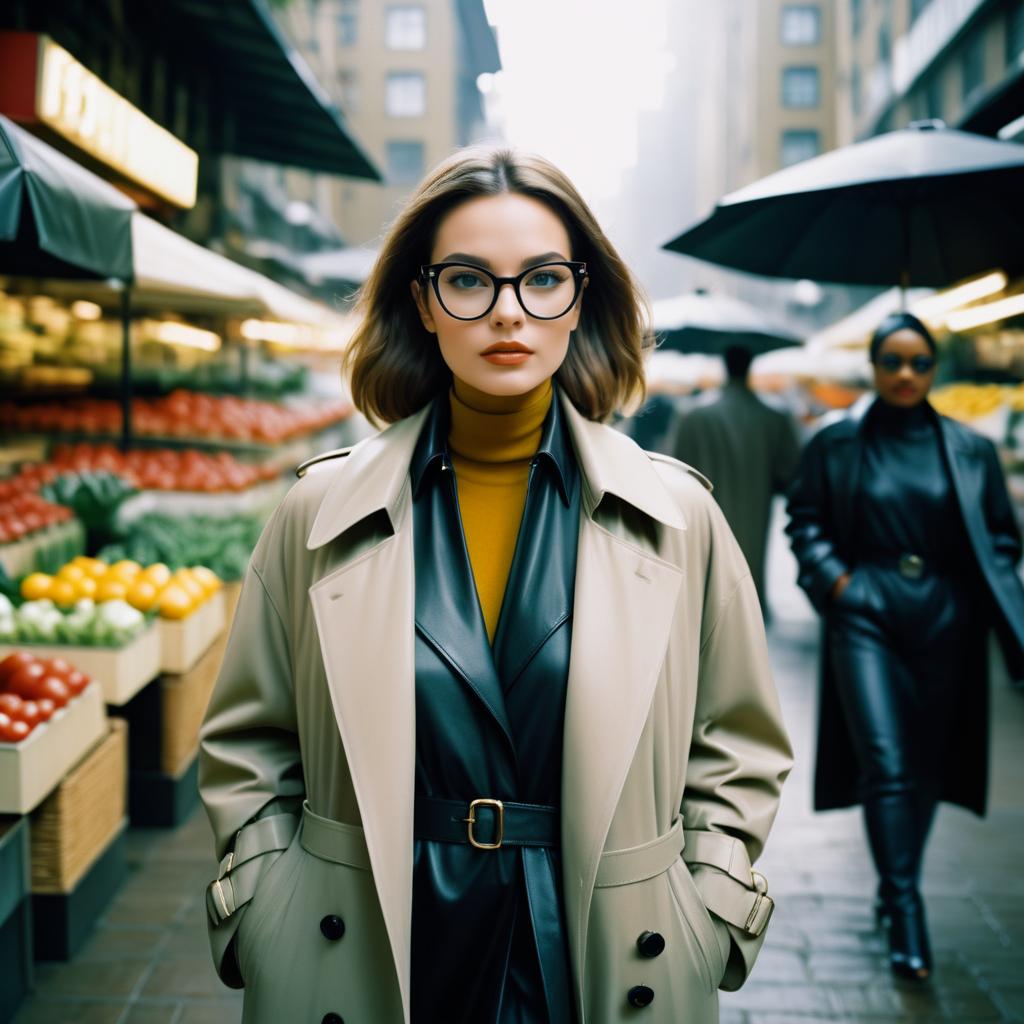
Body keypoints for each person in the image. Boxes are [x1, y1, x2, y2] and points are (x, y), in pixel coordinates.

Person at [198, 147, 792, 1024]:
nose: (508, 313)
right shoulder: (319, 511)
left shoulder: (676, 516)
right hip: (369, 947)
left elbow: (738, 744)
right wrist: (264, 908)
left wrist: (706, 909)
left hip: (604, 951)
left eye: (542, 279)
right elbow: (250, 741)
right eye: (469, 280)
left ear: (578, 299)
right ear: (424, 301)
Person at [786, 312, 1024, 982]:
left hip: (945, 614)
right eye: (893, 360)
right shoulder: (835, 443)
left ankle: (898, 886)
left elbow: (1002, 539)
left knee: (924, 762)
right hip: (867, 610)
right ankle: (904, 903)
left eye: (920, 362)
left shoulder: (968, 448)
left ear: (934, 369)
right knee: (886, 760)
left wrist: (978, 603)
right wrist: (837, 583)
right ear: (874, 364)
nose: (906, 374)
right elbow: (804, 519)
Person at [670, 345, 801, 611]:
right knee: (748, 579)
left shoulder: (694, 415)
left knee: (705, 583)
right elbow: (790, 474)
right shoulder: (773, 417)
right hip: (755, 512)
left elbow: (675, 469)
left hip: (701, 513)